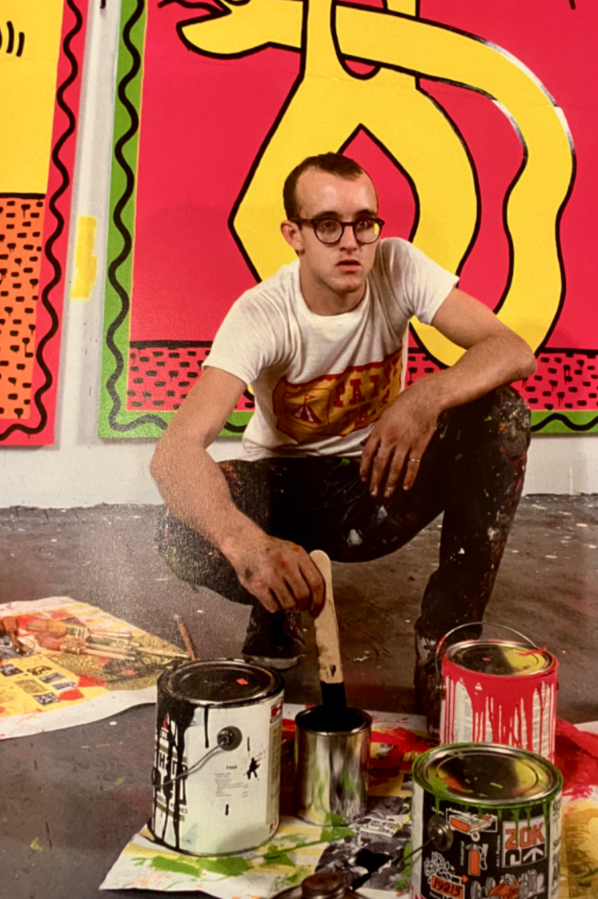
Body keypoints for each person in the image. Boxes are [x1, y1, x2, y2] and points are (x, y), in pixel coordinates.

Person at [151, 152, 536, 733]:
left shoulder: (398, 266)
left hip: (377, 481)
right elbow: (174, 454)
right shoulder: (261, 313)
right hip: (286, 497)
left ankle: (445, 642)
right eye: (327, 225)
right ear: (295, 236)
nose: (350, 241)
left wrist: (425, 396)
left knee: (502, 416)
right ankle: (275, 603)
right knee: (180, 532)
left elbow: (511, 350)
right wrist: (248, 547)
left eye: (364, 222)